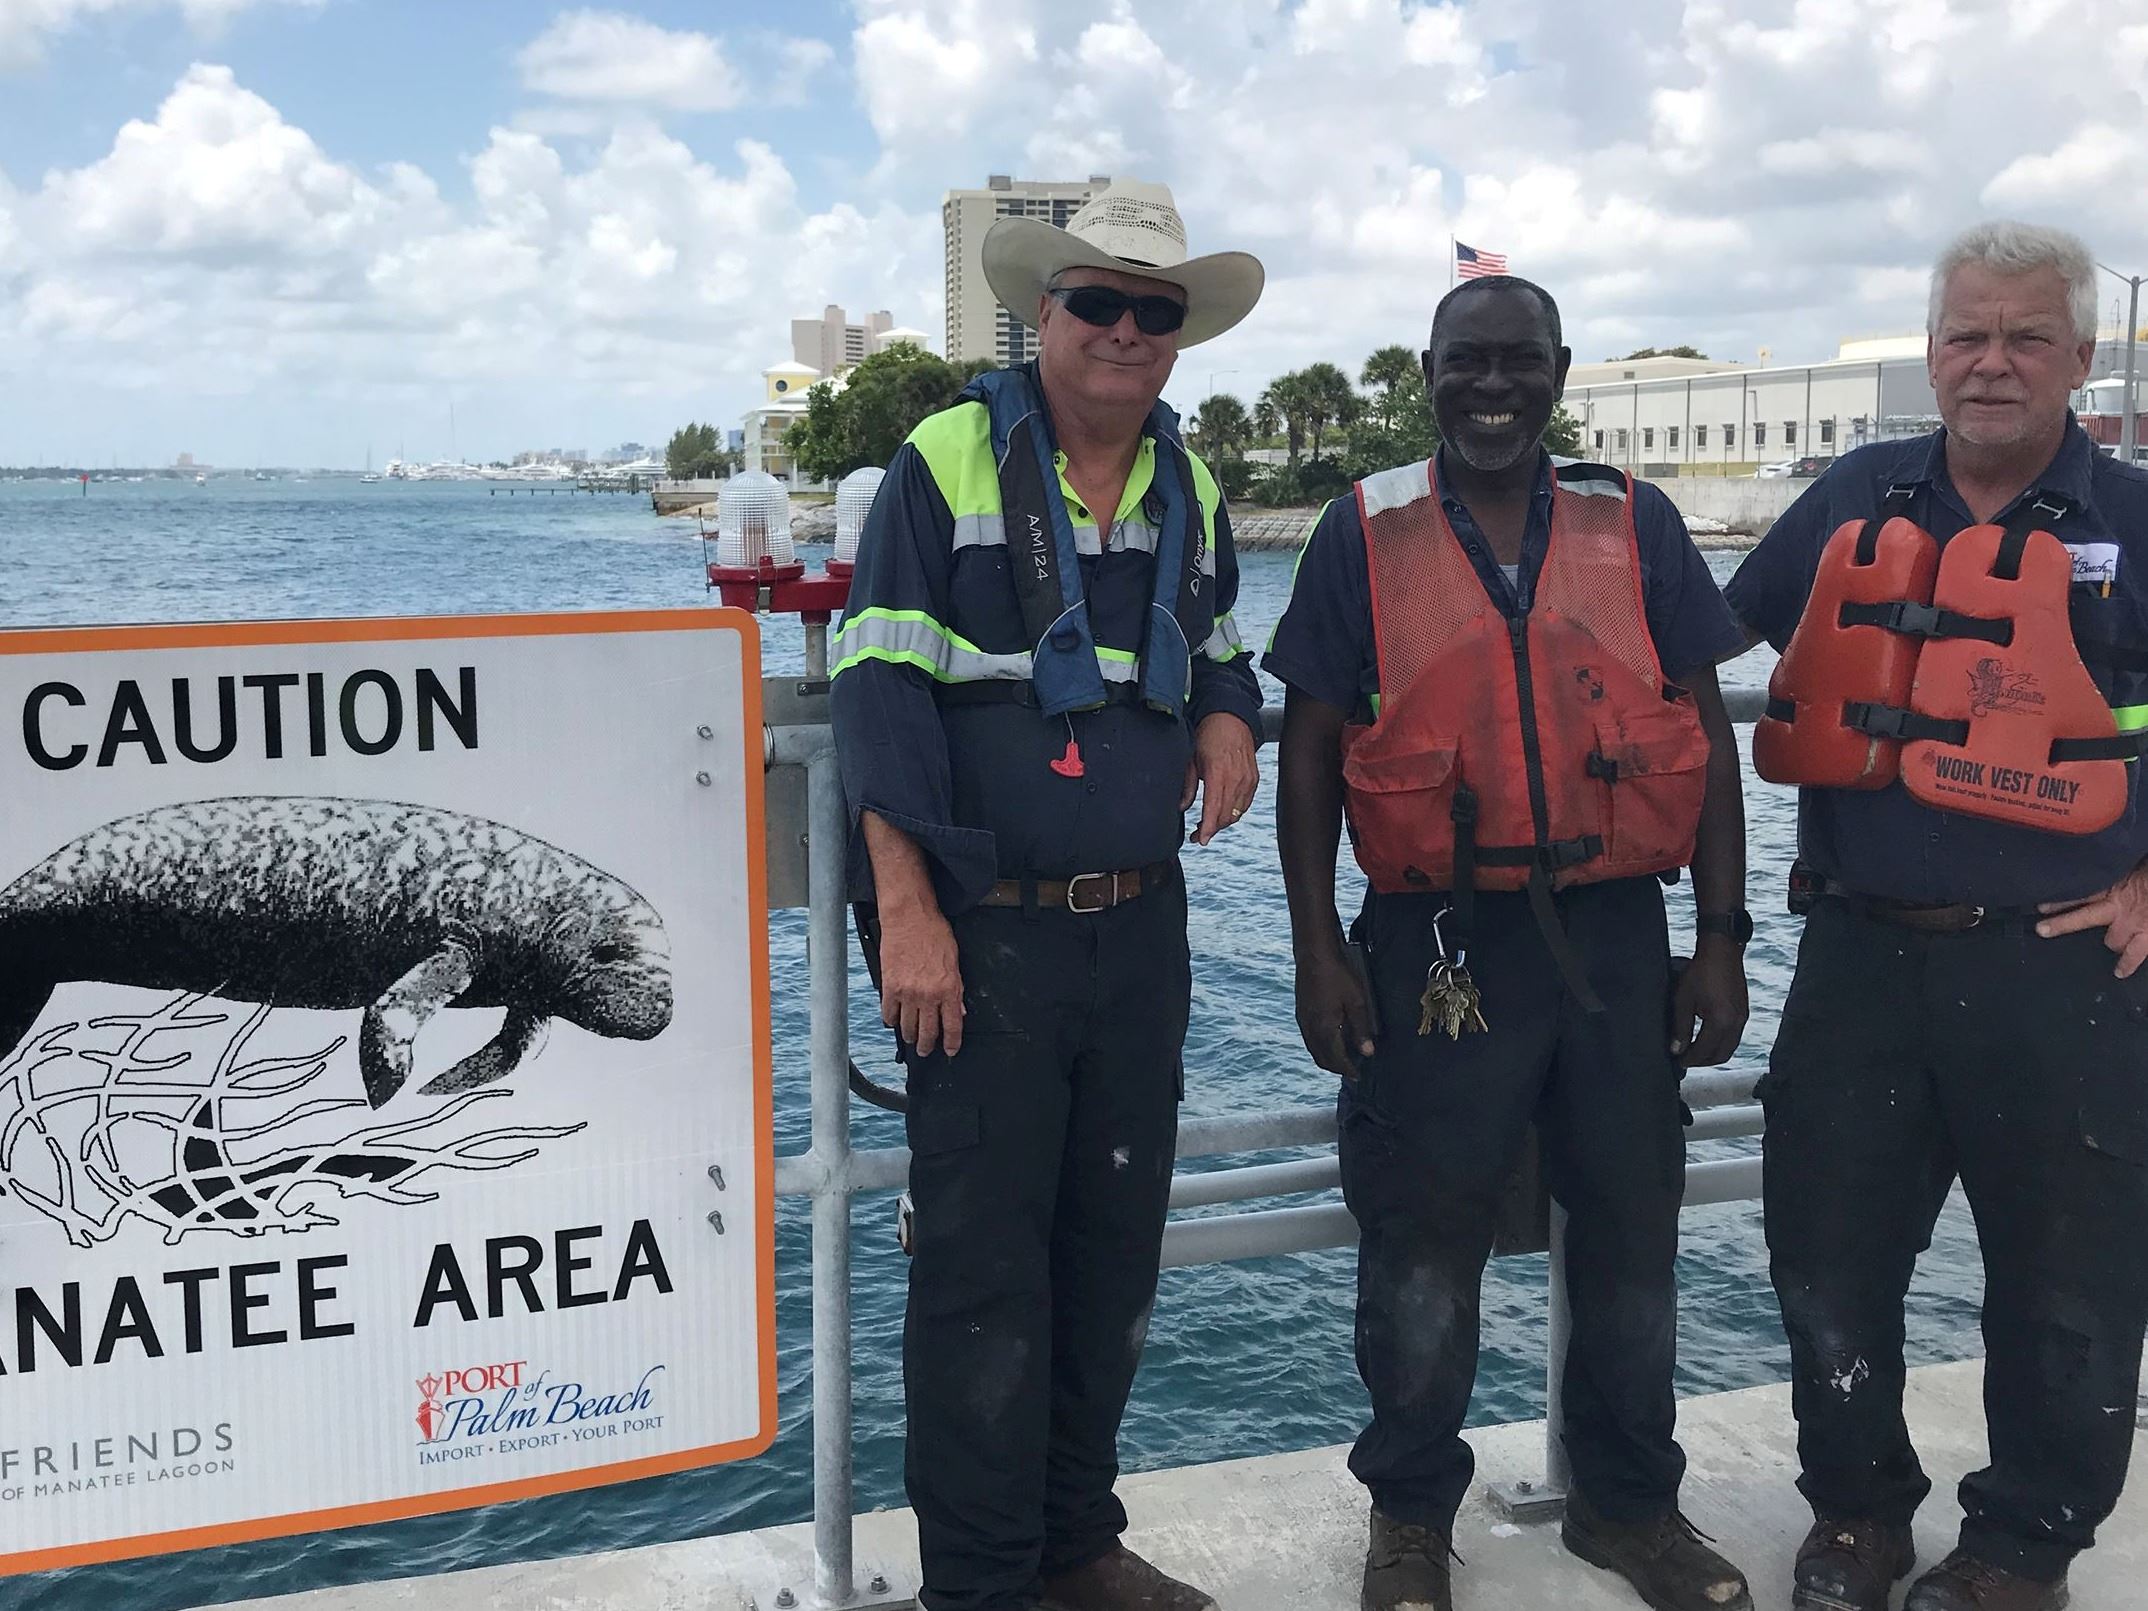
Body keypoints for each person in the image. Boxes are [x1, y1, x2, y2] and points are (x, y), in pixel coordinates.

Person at [1267, 274, 1756, 1611]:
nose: (1494, 386)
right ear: (1428, 369)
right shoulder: (1361, 532)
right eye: (1467, 361)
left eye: (1519, 362)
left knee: (1630, 1230)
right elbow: (1309, 748)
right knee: (1421, 1239)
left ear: (1560, 370)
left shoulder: (1636, 523)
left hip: (1614, 936)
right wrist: (1318, 946)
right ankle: (1413, 1519)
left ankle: (1628, 1508)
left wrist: (1720, 940)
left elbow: (1705, 736)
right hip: (1434, 939)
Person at [828, 179, 1265, 1611]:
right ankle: (983, 1585)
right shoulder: (942, 462)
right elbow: (878, 692)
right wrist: (907, 913)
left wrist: (1226, 716)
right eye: (1100, 303)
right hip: (984, 939)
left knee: (1111, 1255)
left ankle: (1077, 1544)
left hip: (1141, 933)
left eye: (1157, 311)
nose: (1127, 332)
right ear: (1047, 313)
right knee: (975, 1285)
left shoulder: (1191, 484)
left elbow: (1217, 645)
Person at [1728, 220, 2148, 1611]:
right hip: (1860, 950)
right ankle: (1856, 1513)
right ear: (1931, 351)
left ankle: (2024, 1544)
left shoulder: (2134, 522)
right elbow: (1699, 648)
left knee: (2068, 1279)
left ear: (2081, 359)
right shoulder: (1855, 496)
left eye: (2027, 337)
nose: (1992, 363)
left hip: (2067, 966)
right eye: (1968, 334)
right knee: (1828, 1250)